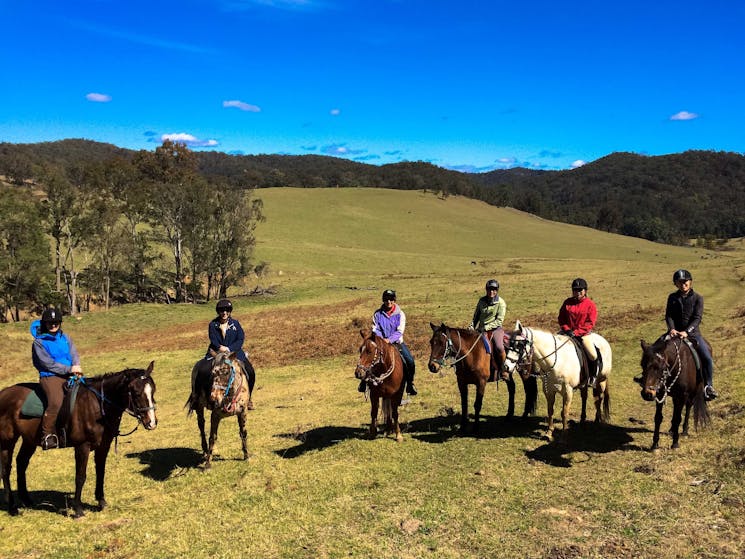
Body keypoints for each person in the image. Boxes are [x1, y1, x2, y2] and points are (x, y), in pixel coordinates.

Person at [31, 308, 82, 450]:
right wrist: (69, 369)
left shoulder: (66, 338)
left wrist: (76, 366)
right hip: (50, 376)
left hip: (69, 374)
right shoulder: (39, 343)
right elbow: (47, 363)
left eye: (56, 322)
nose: (53, 325)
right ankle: (47, 435)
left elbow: (74, 353)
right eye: (50, 323)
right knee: (56, 401)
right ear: (44, 324)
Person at [664, 269, 717, 400]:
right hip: (674, 333)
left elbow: (697, 318)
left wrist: (686, 332)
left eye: (685, 281)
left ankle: (708, 386)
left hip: (693, 334)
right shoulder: (672, 297)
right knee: (655, 349)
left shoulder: (698, 298)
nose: (683, 284)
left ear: (690, 282)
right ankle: (648, 379)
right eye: (679, 282)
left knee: (707, 357)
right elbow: (669, 315)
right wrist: (671, 329)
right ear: (676, 284)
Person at [360, 289, 417, 395]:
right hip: (380, 342)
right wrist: (382, 340)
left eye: (391, 299)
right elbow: (375, 329)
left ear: (394, 300)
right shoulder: (377, 314)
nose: (389, 301)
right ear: (383, 300)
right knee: (367, 358)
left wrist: (389, 340)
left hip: (396, 343)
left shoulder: (400, 314)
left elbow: (400, 331)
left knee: (410, 361)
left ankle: (410, 384)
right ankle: (363, 382)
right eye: (386, 299)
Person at [206, 299, 256, 409]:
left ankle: (249, 398)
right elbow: (213, 339)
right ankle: (204, 397)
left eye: (227, 310)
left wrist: (229, 348)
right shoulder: (212, 324)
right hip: (217, 353)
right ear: (218, 312)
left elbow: (240, 338)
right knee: (205, 371)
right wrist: (220, 348)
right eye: (222, 310)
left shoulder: (236, 324)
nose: (224, 313)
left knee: (250, 372)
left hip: (235, 354)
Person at [558, 278, 600, 387]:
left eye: (580, 290)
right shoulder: (567, 302)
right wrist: (566, 329)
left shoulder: (590, 305)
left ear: (585, 291)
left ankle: (592, 377)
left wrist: (576, 332)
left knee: (592, 354)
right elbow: (561, 318)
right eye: (575, 290)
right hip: (566, 333)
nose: (577, 292)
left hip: (583, 335)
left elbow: (590, 323)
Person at [471, 279, 508, 379]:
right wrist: (471, 327)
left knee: (499, 347)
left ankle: (503, 370)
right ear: (486, 290)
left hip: (495, 329)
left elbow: (499, 321)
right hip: (481, 329)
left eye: (494, 289)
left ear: (497, 290)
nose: (492, 292)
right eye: (489, 289)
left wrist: (486, 328)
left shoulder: (501, 303)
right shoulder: (481, 301)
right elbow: (476, 317)